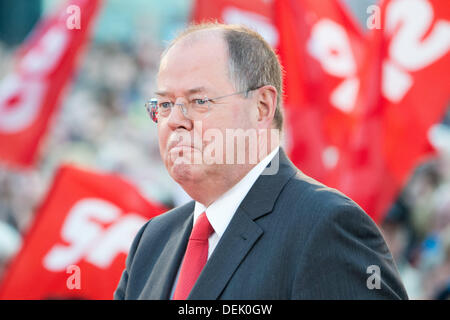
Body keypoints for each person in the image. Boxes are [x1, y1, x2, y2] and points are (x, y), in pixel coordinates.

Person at [114, 23, 408, 300]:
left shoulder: (325, 226)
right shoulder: (152, 240)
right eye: (165, 105)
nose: (175, 120)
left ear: (262, 107)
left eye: (199, 101)